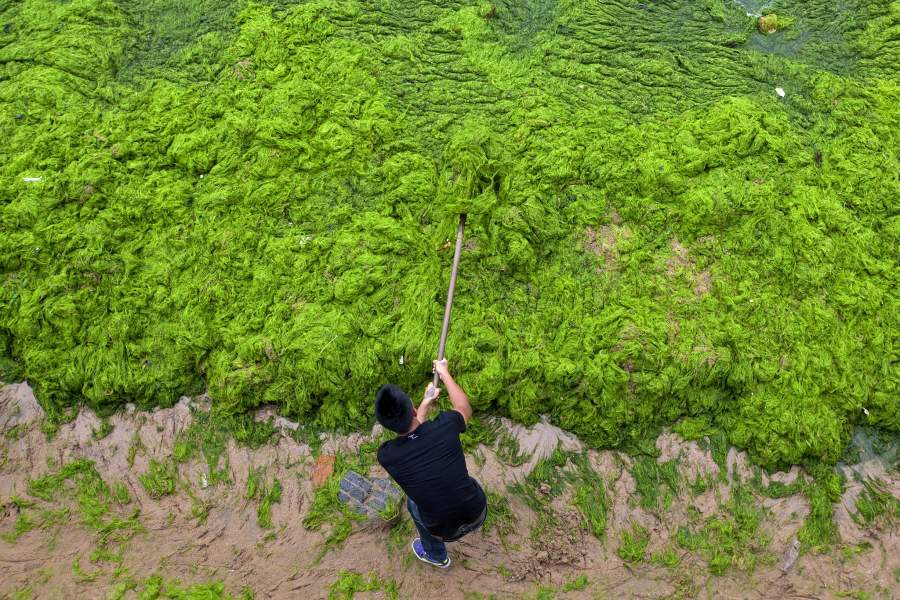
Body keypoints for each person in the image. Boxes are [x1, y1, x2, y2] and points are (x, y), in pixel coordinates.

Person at [374, 359, 488, 568]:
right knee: (452, 475)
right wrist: (444, 374)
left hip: (443, 530)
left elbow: (413, 436)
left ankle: (436, 555)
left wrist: (425, 404)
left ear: (386, 426)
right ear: (413, 411)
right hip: (477, 511)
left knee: (413, 502)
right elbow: (464, 407)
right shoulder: (446, 426)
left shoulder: (387, 455)